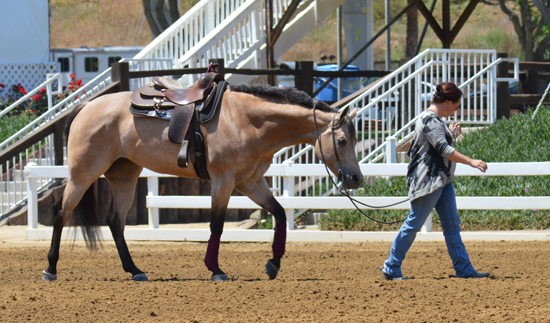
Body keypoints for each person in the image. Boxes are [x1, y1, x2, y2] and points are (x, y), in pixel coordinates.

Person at [381, 82, 489, 280]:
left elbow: (439, 147)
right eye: (455, 106)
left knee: (452, 225)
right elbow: (443, 150)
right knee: (414, 223)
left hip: (441, 180)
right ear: (448, 102)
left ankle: (464, 269)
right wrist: (471, 161)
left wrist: (453, 135)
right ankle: (391, 266)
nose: (455, 111)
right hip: (428, 181)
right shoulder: (430, 120)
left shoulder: (435, 120)